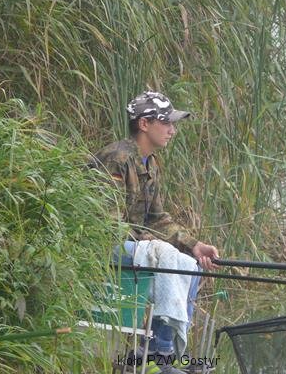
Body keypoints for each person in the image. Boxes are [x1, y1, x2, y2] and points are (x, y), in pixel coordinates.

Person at [89, 90, 220, 373]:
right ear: (144, 124)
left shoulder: (151, 163)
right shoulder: (117, 158)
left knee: (189, 264)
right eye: (166, 122)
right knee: (163, 254)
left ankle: (159, 348)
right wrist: (148, 242)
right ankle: (163, 355)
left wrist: (194, 245)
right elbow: (103, 224)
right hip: (101, 246)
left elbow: (158, 219)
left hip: (131, 246)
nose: (172, 130)